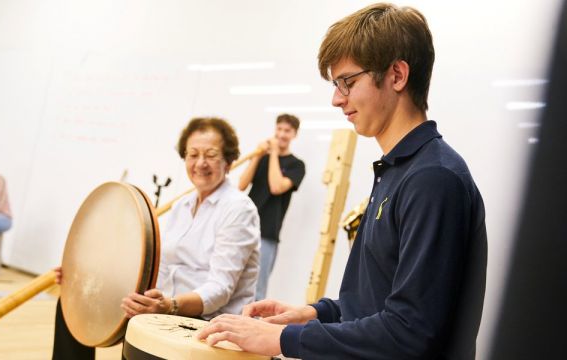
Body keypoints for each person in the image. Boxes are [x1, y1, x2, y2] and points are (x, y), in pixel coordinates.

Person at [198, 3, 488, 359]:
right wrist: (315, 313)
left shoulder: (433, 179)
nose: (337, 99)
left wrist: (284, 340)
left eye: (347, 82)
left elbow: (409, 333)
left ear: (397, 75)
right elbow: (370, 303)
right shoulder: (395, 170)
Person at [52, 117, 260, 359]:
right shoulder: (181, 205)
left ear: (229, 160)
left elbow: (220, 289)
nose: (200, 163)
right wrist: (83, 275)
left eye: (211, 154)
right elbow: (155, 265)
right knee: (74, 305)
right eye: (192, 154)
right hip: (167, 310)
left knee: (142, 324)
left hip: (206, 320)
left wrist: (169, 305)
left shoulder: (239, 209)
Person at [238, 114, 305, 300]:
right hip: (244, 227)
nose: (282, 134)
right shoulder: (262, 158)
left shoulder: (297, 165)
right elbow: (242, 185)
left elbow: (277, 187)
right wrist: (257, 156)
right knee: (233, 279)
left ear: (294, 134)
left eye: (287, 131)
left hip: (267, 233)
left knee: (257, 289)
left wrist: (274, 153)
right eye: (279, 129)